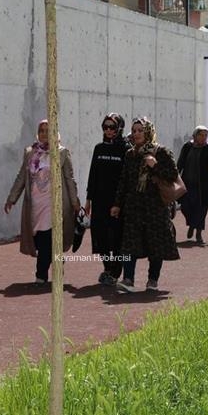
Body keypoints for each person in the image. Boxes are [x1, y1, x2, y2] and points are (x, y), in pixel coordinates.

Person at [5, 120, 80, 284]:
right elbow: (21, 178)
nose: (45, 134)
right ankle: (56, 261)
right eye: (42, 130)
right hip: (34, 204)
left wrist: (75, 202)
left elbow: (69, 179)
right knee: (40, 239)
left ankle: (41, 274)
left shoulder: (62, 153)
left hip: (53, 204)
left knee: (47, 237)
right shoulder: (30, 153)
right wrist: (12, 198)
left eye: (48, 130)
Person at [110, 117, 179, 292]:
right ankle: (128, 280)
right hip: (134, 206)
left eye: (140, 130)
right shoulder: (130, 154)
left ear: (148, 131)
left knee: (156, 244)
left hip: (155, 207)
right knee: (129, 244)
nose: (136, 134)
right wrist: (117, 204)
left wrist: (155, 166)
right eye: (134, 131)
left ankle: (152, 280)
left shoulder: (160, 152)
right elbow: (123, 181)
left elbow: (172, 175)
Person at [84, 113, 129, 286]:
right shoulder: (99, 148)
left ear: (119, 128)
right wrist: (88, 200)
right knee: (100, 236)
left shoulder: (125, 149)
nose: (108, 130)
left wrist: (119, 203)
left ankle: (116, 272)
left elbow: (125, 179)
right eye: (105, 127)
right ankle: (108, 267)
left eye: (112, 127)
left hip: (117, 203)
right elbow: (93, 175)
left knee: (116, 238)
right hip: (99, 201)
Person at [177, 125, 208, 244]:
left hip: (202, 185)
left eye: (205, 135)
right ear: (195, 135)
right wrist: (175, 175)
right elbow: (180, 162)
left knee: (201, 209)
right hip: (187, 183)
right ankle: (192, 224)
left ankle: (198, 232)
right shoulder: (187, 146)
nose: (203, 138)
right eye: (201, 135)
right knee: (185, 206)